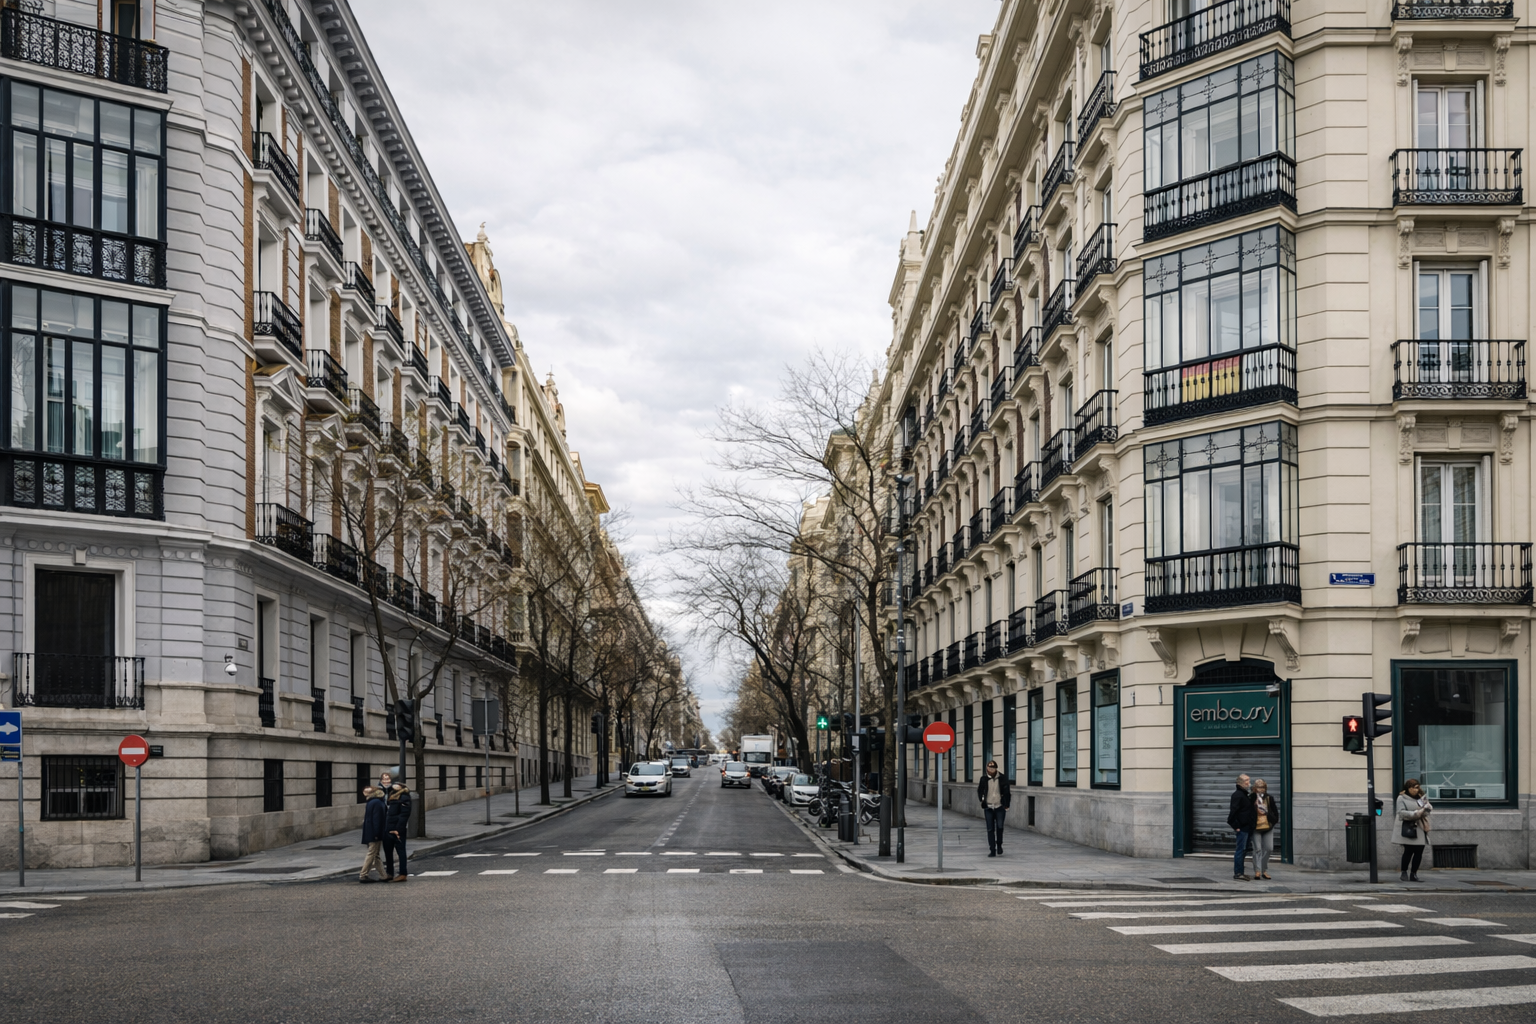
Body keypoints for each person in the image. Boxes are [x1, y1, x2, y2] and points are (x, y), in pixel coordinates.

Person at [1393, 778, 1432, 882]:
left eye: (1417, 787)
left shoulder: (1421, 797)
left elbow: (1427, 810)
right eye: (1413, 788)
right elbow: (1401, 813)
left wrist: (1427, 809)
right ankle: (1404, 872)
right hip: (1408, 827)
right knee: (1408, 851)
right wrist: (1415, 813)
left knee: (1419, 851)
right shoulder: (1401, 798)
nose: (1415, 790)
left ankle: (1414, 874)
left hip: (1420, 826)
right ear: (1408, 788)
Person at [381, 771, 412, 882]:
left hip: (396, 829)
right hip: (388, 828)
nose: (395, 785)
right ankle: (390, 873)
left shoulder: (404, 797)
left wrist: (398, 830)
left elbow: (404, 815)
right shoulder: (391, 795)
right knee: (388, 852)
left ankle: (403, 873)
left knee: (401, 851)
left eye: (397, 784)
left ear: (402, 786)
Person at [977, 760, 1011, 857]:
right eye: (989, 768)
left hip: (999, 806)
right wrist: (982, 799)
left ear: (996, 769)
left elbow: (1007, 792)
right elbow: (980, 790)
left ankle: (999, 845)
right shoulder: (983, 779)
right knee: (990, 829)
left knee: (1000, 827)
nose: (990, 770)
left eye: (992, 768)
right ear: (986, 768)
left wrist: (1007, 803)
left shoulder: (1002, 778)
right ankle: (992, 849)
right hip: (988, 807)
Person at [1248, 778, 1280, 880]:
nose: (1260, 789)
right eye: (1258, 787)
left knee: (1269, 848)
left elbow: (1275, 813)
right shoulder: (1251, 798)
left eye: (1262, 787)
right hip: (1255, 827)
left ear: (1265, 788)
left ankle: (1264, 868)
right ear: (1254, 788)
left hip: (1267, 826)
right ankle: (1258, 871)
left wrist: (1269, 816)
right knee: (1257, 849)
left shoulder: (1269, 798)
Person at [1227, 773, 1256, 880]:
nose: (1249, 782)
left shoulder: (1245, 794)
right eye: (1246, 781)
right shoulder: (1238, 795)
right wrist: (1236, 826)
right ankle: (1238, 873)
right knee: (1240, 850)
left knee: (1244, 850)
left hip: (1247, 827)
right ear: (1240, 783)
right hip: (1242, 827)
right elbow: (1232, 813)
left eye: (1249, 780)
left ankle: (1241, 872)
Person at [358, 785, 387, 883]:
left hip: (370, 831)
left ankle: (383, 875)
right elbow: (377, 820)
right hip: (374, 832)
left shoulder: (371, 802)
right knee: (372, 853)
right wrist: (377, 834)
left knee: (375, 854)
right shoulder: (378, 802)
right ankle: (363, 875)